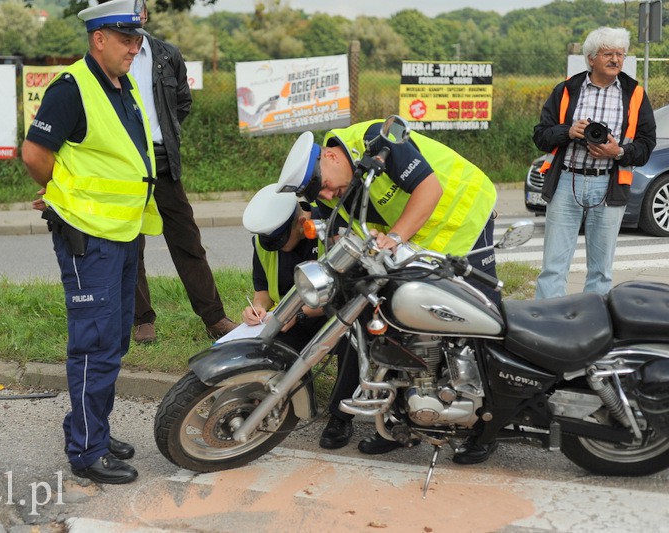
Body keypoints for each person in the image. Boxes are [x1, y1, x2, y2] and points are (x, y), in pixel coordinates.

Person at [276, 123, 500, 463]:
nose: (323, 197)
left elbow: (429, 189)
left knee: (479, 322)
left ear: (332, 157)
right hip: (413, 240)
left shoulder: (376, 140)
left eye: (320, 188)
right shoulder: (332, 184)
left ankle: (489, 426)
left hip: (463, 220)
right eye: (314, 196)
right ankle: (401, 426)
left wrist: (394, 238)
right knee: (391, 322)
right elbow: (336, 235)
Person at [21, 0, 161, 485]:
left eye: (138, 38)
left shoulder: (121, 85)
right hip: (87, 237)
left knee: (113, 339)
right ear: (98, 38)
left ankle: (93, 429)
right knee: (94, 345)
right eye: (126, 38)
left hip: (121, 234)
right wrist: (61, 194)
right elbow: (35, 153)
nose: (135, 47)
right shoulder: (71, 88)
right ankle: (86, 451)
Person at [128, 0, 237, 343]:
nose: (135, 15)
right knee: (131, 242)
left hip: (162, 159)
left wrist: (166, 134)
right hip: (124, 161)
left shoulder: (166, 54)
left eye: (139, 8)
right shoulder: (109, 59)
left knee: (187, 240)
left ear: (145, 14)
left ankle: (214, 318)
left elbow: (182, 103)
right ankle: (142, 319)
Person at [533, 26, 656, 300]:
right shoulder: (567, 90)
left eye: (620, 54)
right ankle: (545, 323)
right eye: (608, 54)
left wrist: (618, 151)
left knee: (601, 270)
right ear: (591, 58)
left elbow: (646, 145)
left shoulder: (634, 93)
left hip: (609, 185)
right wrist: (568, 131)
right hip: (566, 182)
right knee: (553, 267)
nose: (616, 60)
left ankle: (593, 324)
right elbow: (541, 135)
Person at [242, 185, 357, 451]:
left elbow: (346, 292)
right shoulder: (263, 242)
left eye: (282, 242)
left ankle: (341, 416)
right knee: (269, 342)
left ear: (300, 222)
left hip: (337, 314)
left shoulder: (329, 230)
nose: (278, 250)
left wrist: (299, 311)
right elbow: (263, 291)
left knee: (352, 341)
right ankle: (280, 398)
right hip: (293, 317)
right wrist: (257, 309)